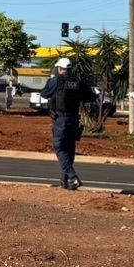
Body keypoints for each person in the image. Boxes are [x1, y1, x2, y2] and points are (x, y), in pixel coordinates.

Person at [39, 57, 96, 190]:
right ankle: (65, 181)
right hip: (74, 120)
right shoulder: (78, 83)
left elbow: (44, 94)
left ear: (59, 69)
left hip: (61, 120)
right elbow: (91, 97)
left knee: (59, 147)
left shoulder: (55, 81)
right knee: (70, 149)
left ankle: (72, 177)